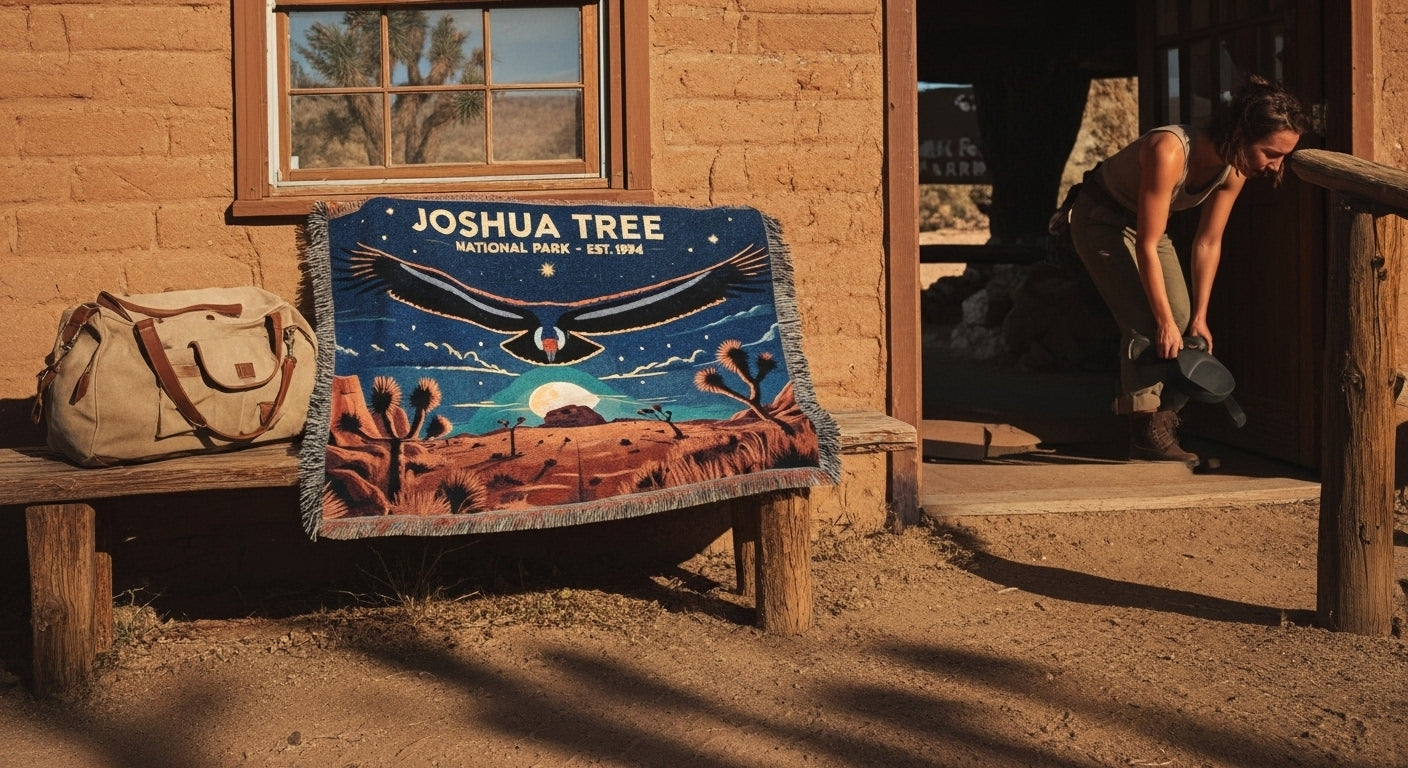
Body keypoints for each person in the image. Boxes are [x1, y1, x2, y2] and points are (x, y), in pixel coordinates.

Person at [1067, 76, 1310, 464]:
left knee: (1184, 329)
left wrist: (1199, 317)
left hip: (1149, 227)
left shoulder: (1235, 170)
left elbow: (1208, 242)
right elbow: (1145, 244)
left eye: (1282, 157)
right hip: (1101, 218)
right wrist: (1161, 321)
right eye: (1270, 153)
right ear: (1241, 132)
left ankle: (1162, 420)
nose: (1274, 166)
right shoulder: (1170, 150)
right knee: (1150, 323)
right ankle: (1145, 431)